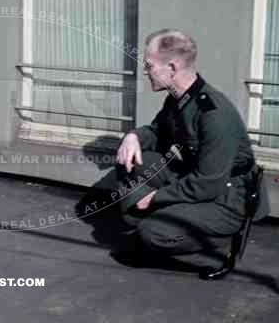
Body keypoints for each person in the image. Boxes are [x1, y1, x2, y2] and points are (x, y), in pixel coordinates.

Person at [114, 29, 269, 258]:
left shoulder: (213, 113)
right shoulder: (178, 99)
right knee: (131, 158)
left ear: (172, 68)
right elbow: (157, 132)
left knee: (152, 233)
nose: (145, 72)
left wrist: (156, 197)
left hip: (227, 197)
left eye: (149, 65)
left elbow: (208, 184)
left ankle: (220, 239)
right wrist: (133, 137)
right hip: (194, 176)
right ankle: (170, 215)